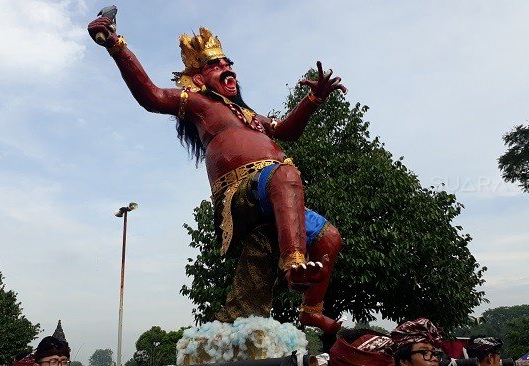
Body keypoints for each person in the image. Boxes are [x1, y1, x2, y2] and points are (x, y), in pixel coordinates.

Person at [88, 16, 346, 333]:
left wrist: (313, 100)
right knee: (286, 174)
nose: (228, 68)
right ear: (198, 79)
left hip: (273, 190)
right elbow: (151, 95)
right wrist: (116, 45)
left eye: (228, 63)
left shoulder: (251, 116)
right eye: (215, 65)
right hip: (240, 193)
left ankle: (311, 311)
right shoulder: (197, 102)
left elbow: (288, 131)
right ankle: (292, 263)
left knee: (328, 237)